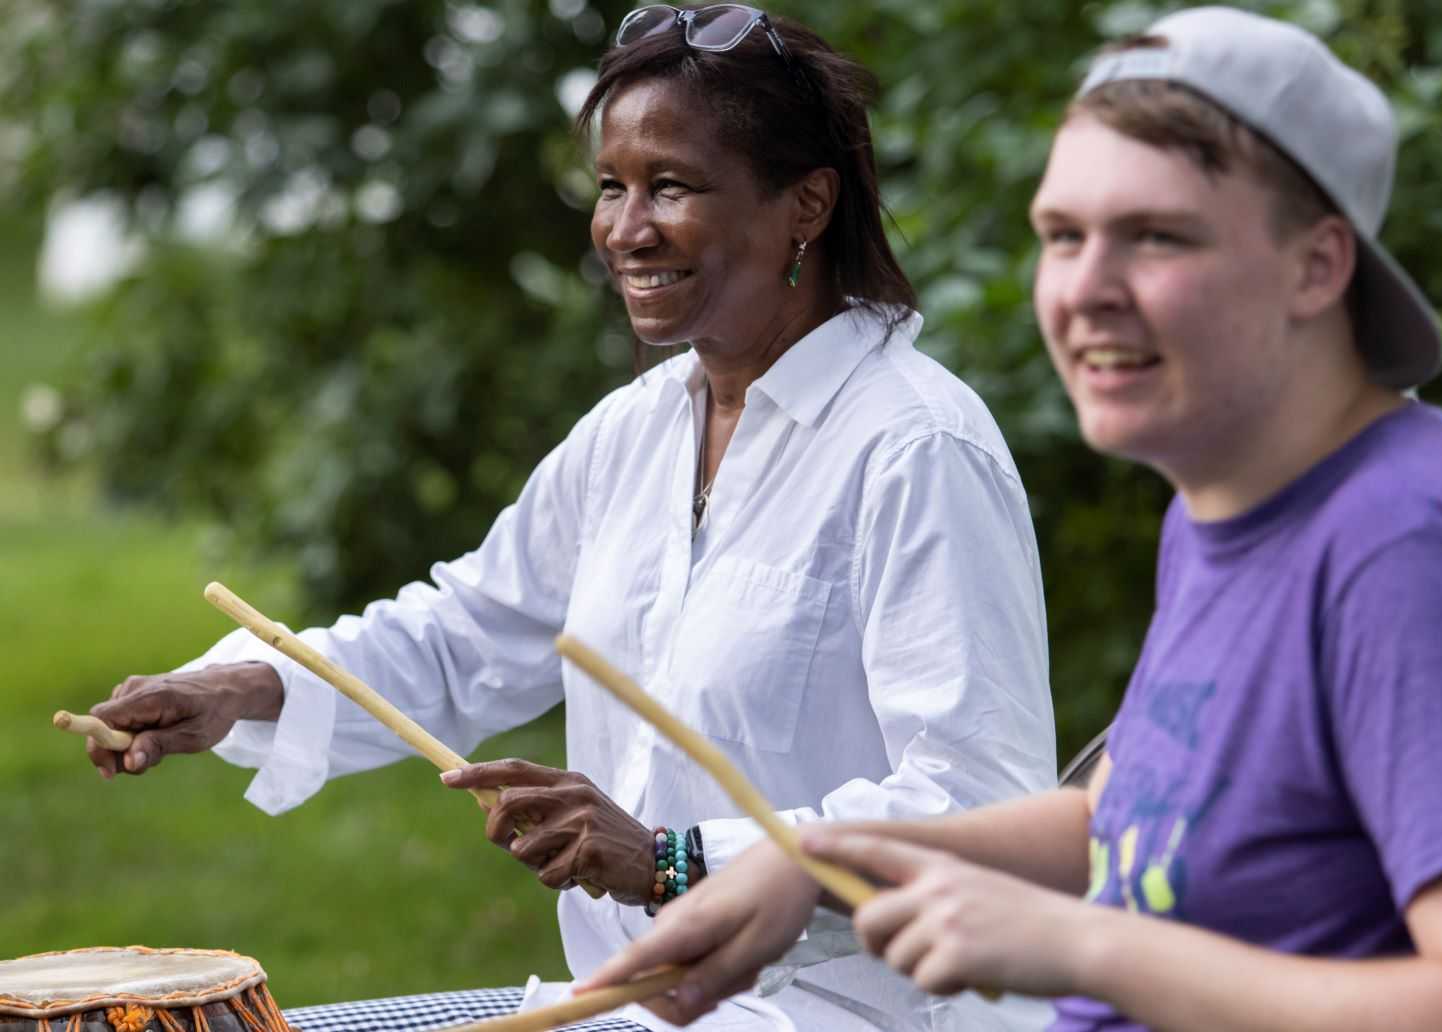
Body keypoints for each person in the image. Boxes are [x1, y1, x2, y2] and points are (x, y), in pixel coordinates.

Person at [80, 5, 1057, 1031]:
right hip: (626, 1011)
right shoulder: (633, 431)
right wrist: (251, 685)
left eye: (670, 186)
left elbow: (980, 801)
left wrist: (676, 858)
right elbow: (468, 636)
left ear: (806, 203)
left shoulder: (916, 446)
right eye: (611, 187)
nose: (625, 229)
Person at [580, 7, 1442, 1029]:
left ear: (1318, 267)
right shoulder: (1231, 513)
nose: (1084, 291)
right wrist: (808, 866)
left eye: (1157, 236)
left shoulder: (1403, 547)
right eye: (1064, 236)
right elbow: (1122, 821)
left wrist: (1080, 943)